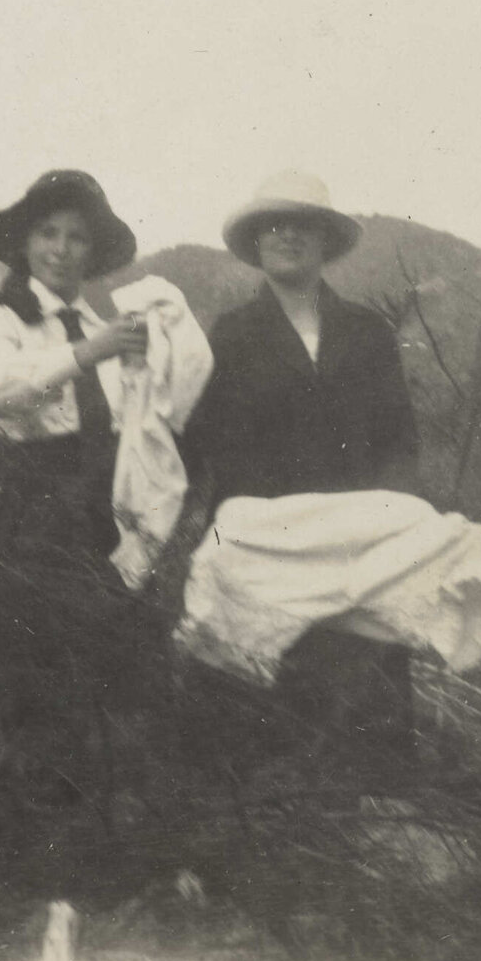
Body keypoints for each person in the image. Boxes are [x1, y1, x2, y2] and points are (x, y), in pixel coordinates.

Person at [184, 170, 424, 762]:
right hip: (264, 543)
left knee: (360, 699)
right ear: (257, 240)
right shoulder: (232, 335)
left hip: (355, 541)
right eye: (275, 223)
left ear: (325, 242)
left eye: (304, 225)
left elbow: (399, 440)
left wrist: (395, 529)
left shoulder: (367, 332)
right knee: (259, 706)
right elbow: (199, 441)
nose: (288, 235)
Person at [0, 169, 148, 566]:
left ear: (92, 253)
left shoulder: (100, 329)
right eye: (47, 233)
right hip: (26, 514)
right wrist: (86, 354)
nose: (61, 249)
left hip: (106, 515)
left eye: (77, 238)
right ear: (25, 244)